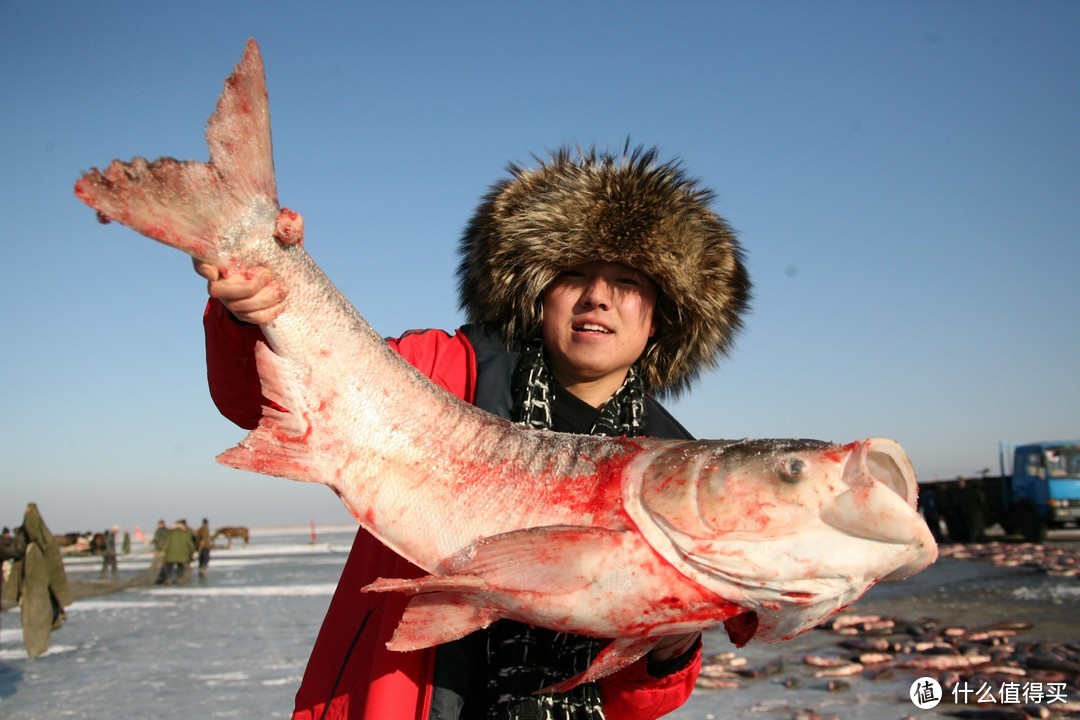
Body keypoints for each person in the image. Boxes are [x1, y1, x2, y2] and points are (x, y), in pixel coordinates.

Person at [196, 145, 750, 719]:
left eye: (628, 280)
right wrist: (254, 308)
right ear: (540, 294)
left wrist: (671, 645)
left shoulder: (680, 468)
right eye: (575, 274)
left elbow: (634, 703)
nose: (598, 296)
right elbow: (261, 397)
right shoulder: (438, 370)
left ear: (659, 315)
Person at [161, 519, 196, 585]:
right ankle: (179, 578)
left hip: (171, 555)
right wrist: (192, 551)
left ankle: (169, 578)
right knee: (180, 565)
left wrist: (163, 551)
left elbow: (167, 544)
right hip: (182, 555)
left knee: (169, 566)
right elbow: (190, 544)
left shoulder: (171, 534)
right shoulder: (185, 534)